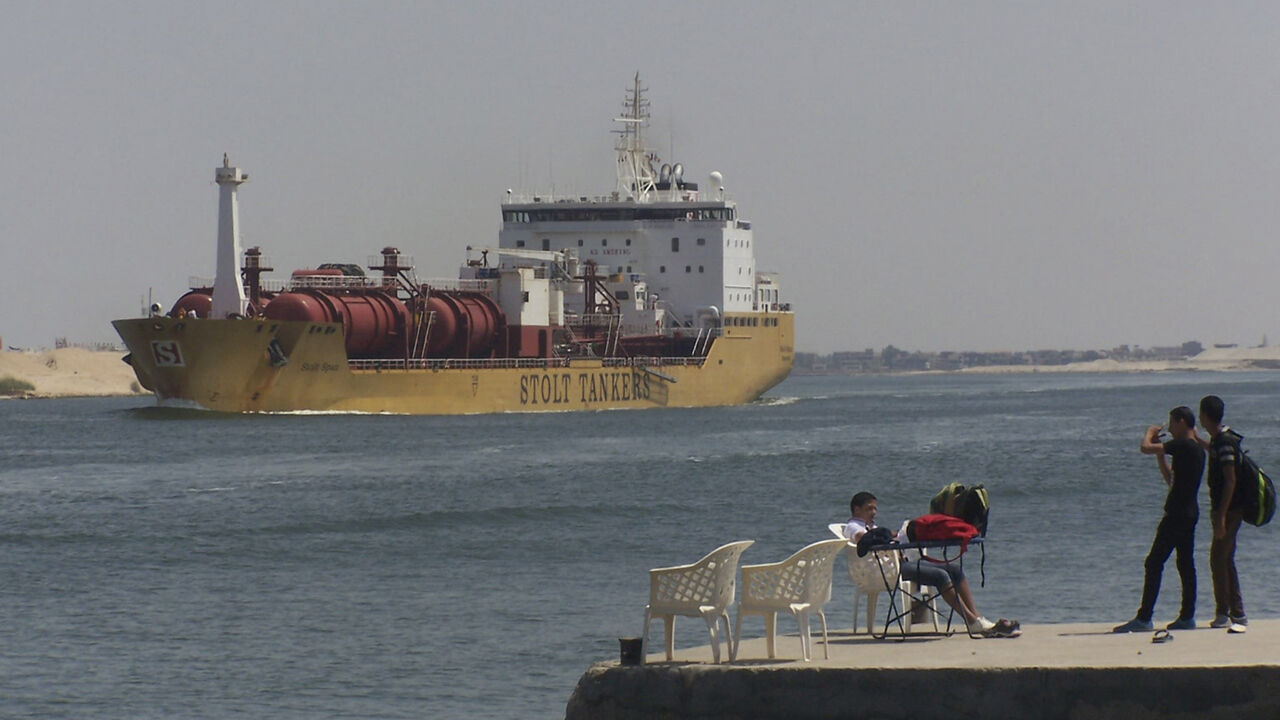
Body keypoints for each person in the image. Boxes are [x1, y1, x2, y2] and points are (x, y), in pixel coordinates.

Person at [843, 491, 1018, 638]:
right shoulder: (853, 526)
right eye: (869, 509)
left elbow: (885, 538)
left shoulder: (871, 526)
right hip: (885, 571)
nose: (874, 512)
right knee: (940, 576)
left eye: (875, 508)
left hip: (898, 563)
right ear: (856, 509)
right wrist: (888, 539)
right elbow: (863, 540)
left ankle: (978, 619)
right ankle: (972, 621)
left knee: (954, 570)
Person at [1113, 407, 1204, 633]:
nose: (1171, 429)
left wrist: (1149, 433)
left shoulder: (1184, 444)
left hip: (1177, 514)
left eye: (1172, 424)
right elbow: (1171, 478)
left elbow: (1145, 448)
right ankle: (1187, 616)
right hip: (1189, 512)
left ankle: (1144, 617)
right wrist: (1161, 453)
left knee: (1153, 562)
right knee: (1185, 564)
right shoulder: (1196, 450)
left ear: (1182, 422)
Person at [1198, 395, 1248, 633]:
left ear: (1205, 415)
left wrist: (1221, 515)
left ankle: (1225, 613)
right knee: (1226, 558)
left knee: (1218, 558)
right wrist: (1200, 442)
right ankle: (1236, 613)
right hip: (1229, 509)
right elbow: (1218, 453)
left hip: (1230, 509)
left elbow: (1230, 480)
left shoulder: (1224, 442)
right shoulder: (1220, 440)